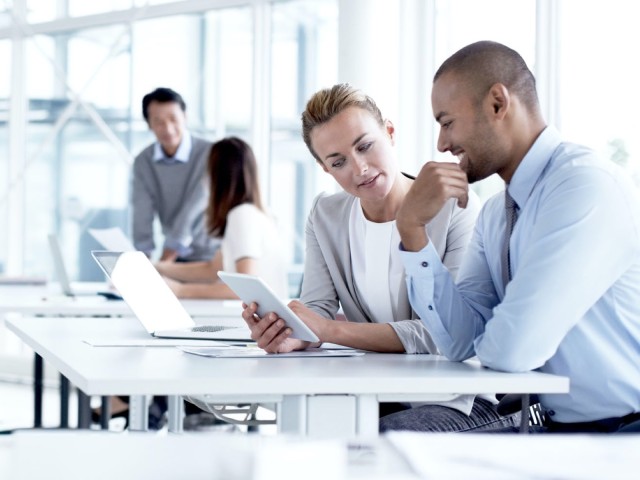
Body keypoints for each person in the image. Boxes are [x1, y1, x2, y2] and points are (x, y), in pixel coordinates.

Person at [241, 83, 518, 432]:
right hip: (379, 393)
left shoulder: (455, 209)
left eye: (365, 146)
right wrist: (290, 332)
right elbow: (316, 310)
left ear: (389, 132)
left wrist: (328, 330)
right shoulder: (326, 215)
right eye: (338, 161)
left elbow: (444, 334)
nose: (359, 169)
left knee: (371, 440)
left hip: (460, 399)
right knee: (305, 431)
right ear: (325, 169)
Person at [396, 41, 640, 433]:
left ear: (497, 103)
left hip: (624, 438)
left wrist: (491, 337)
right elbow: (460, 342)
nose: (441, 144)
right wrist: (411, 230)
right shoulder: (496, 213)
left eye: (446, 122)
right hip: (559, 434)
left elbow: (511, 351)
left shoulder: (584, 187)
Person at [155, 136, 288, 299]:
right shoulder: (255, 213)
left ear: (218, 176)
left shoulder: (242, 216)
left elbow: (246, 289)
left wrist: (180, 290)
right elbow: (212, 269)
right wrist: (158, 268)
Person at [131, 87, 218, 262]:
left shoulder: (210, 153)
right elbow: (142, 211)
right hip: (175, 256)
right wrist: (141, 260)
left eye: (173, 119)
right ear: (149, 125)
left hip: (212, 254)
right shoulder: (143, 161)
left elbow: (196, 204)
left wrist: (168, 255)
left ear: (185, 117)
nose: (168, 129)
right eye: (159, 122)